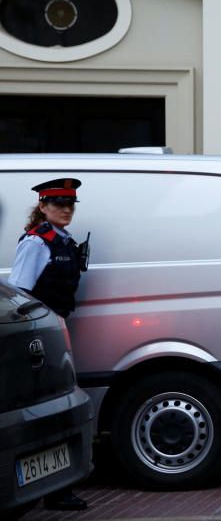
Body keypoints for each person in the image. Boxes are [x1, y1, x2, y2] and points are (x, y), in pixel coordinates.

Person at [9, 178, 90, 512]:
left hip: (55, 330)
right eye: (57, 203)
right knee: (48, 408)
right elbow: (20, 294)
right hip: (39, 335)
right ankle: (51, 491)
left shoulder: (63, 241)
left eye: (70, 204)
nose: (65, 209)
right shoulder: (37, 243)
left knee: (59, 407)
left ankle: (57, 488)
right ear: (42, 206)